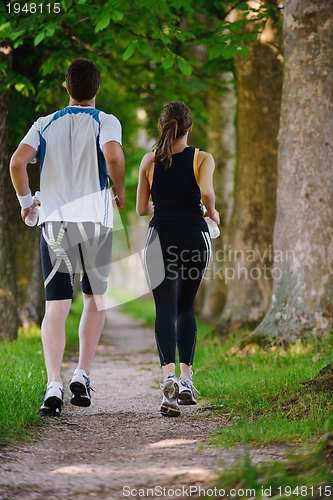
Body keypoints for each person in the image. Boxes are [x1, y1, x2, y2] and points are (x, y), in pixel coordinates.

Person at [9, 58, 126, 417]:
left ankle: (53, 386)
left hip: (55, 223)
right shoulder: (106, 121)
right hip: (95, 222)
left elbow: (17, 163)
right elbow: (114, 155)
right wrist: (118, 190)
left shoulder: (44, 124)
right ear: (98, 88)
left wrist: (27, 204)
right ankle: (82, 375)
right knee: (93, 300)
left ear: (66, 86)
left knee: (56, 308)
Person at [136, 101, 219, 417]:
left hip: (159, 239)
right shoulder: (202, 158)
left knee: (165, 309)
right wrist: (211, 212)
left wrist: (161, 207)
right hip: (194, 238)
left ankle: (167, 377)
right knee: (185, 307)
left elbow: (142, 209)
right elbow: (208, 194)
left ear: (162, 127)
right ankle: (186, 380)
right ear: (189, 128)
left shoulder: (149, 161)